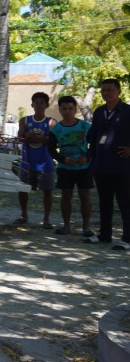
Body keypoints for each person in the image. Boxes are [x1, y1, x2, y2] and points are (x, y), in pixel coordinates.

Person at [84, 79, 130, 250]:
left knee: (125, 202)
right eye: (103, 90)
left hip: (122, 165)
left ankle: (127, 238)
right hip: (101, 164)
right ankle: (105, 235)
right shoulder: (99, 111)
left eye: (110, 90)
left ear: (118, 91)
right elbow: (94, 135)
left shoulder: (127, 111)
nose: (106, 93)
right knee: (104, 201)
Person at [48, 95, 93, 237]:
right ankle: (66, 226)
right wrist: (62, 159)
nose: (67, 111)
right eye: (64, 109)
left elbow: (95, 145)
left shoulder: (86, 126)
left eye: (70, 108)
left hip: (84, 168)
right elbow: (51, 150)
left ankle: (86, 227)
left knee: (85, 196)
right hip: (65, 169)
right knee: (66, 196)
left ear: (75, 109)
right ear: (60, 110)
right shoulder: (56, 129)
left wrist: (87, 157)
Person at [15, 92, 56, 228]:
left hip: (45, 162)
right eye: (36, 102)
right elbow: (21, 138)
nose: (39, 105)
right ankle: (24, 214)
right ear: (32, 104)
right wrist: (41, 138)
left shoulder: (51, 122)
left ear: (46, 105)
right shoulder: (24, 120)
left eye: (42, 102)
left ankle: (47, 219)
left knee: (48, 191)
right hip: (27, 161)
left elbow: (51, 140)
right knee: (23, 189)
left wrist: (31, 136)